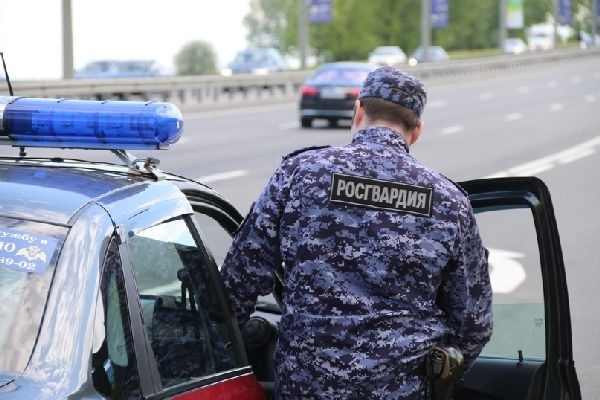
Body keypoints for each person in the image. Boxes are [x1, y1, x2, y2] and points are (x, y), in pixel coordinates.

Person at [220, 66, 493, 399]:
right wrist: (437, 377)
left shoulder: (300, 174)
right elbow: (474, 325)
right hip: (402, 390)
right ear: (417, 131)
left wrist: (216, 366)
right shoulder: (449, 201)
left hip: (306, 389)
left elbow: (238, 282)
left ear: (359, 111)